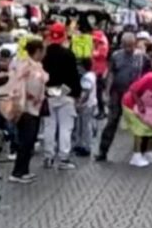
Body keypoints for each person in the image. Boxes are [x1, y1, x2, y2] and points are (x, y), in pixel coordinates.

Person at [96, 33, 148, 162]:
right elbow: (111, 74)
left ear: (135, 44)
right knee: (112, 121)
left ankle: (141, 151)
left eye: (131, 45)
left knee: (139, 122)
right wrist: (107, 92)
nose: (129, 49)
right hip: (117, 93)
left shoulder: (141, 57)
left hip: (134, 94)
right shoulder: (116, 56)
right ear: (122, 45)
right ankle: (103, 151)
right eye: (126, 46)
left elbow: (146, 75)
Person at [41, 23, 80, 170]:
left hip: (48, 92)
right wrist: (76, 93)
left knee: (49, 126)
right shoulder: (68, 54)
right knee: (66, 127)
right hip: (66, 92)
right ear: (64, 36)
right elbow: (74, 76)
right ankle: (64, 158)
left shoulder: (44, 54)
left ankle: (48, 157)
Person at [9, 38, 47, 184]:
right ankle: (18, 172)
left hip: (30, 107)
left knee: (29, 140)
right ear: (38, 51)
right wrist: (37, 96)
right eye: (43, 51)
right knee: (26, 140)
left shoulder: (28, 64)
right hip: (27, 108)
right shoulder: (31, 67)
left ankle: (24, 170)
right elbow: (33, 87)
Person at [73, 58, 97, 158]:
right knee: (83, 125)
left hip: (86, 105)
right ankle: (80, 144)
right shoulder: (92, 75)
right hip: (91, 103)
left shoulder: (86, 78)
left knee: (85, 126)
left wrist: (79, 103)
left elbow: (86, 93)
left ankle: (86, 147)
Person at [91, 30, 110, 119]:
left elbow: (98, 55)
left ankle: (102, 111)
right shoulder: (97, 45)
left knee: (99, 93)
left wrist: (91, 51)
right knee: (97, 93)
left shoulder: (103, 46)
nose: (94, 41)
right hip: (95, 71)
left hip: (100, 72)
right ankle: (100, 110)